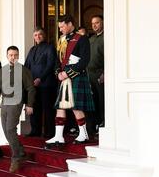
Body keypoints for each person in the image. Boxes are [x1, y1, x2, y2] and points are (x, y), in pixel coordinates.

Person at [46, 15, 95, 147]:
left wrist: (67, 73)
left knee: (76, 106)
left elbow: (85, 60)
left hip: (76, 76)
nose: (60, 29)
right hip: (63, 76)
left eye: (62, 26)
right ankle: (58, 136)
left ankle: (83, 134)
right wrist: (58, 73)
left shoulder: (82, 39)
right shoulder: (61, 40)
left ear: (70, 24)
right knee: (60, 105)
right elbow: (57, 60)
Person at [0, 46, 36, 173]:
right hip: (4, 102)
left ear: (18, 56)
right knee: (6, 130)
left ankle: (16, 158)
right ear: (7, 56)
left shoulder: (23, 70)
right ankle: (21, 152)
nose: (13, 57)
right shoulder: (3, 70)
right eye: (10, 55)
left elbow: (31, 89)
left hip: (16, 102)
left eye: (15, 55)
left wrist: (29, 104)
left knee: (11, 129)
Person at [24, 27, 57, 138]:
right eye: (35, 35)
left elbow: (50, 65)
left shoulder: (50, 47)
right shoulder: (32, 49)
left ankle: (50, 132)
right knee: (34, 107)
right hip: (33, 85)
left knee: (48, 109)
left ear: (44, 35)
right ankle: (35, 130)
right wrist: (26, 80)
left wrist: (40, 78)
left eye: (40, 34)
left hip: (46, 84)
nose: (37, 36)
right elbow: (27, 66)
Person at [87, 15, 105, 137]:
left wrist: (104, 73)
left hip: (100, 73)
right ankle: (93, 126)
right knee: (92, 102)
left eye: (97, 22)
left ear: (102, 23)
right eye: (93, 23)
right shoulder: (91, 39)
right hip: (89, 74)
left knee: (101, 101)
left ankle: (103, 125)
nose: (94, 25)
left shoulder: (106, 37)